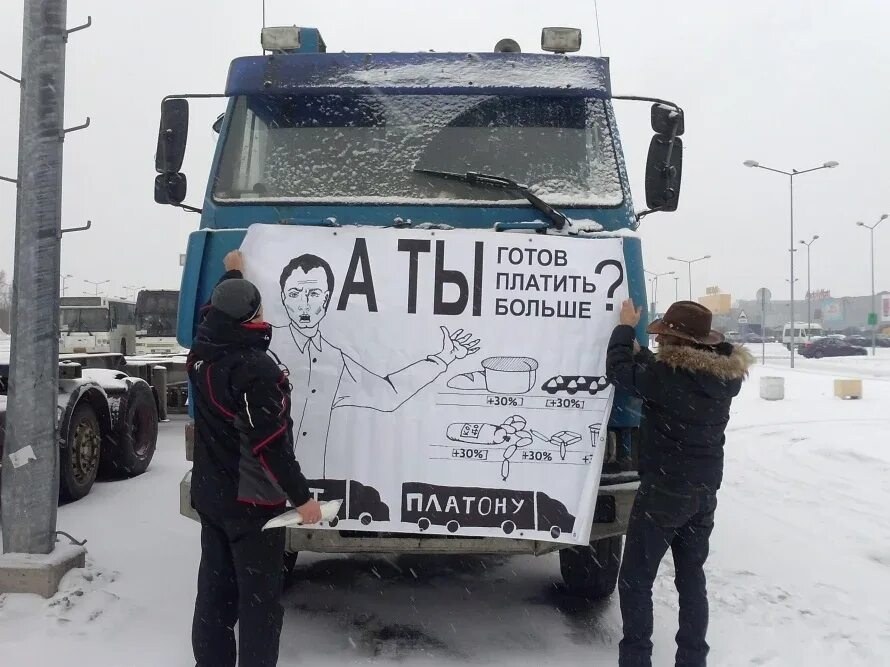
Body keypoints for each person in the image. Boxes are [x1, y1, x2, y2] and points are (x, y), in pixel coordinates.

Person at [189, 250, 322, 667]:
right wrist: (303, 500)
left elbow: (218, 307)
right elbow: (271, 445)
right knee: (260, 604)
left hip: (212, 495)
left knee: (214, 592)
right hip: (253, 507)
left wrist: (234, 273)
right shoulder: (254, 369)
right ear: (249, 317)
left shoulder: (204, 348)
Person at [606, 299, 753, 667]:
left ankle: (636, 659)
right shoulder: (722, 377)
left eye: (663, 338)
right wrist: (644, 357)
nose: (658, 345)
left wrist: (625, 328)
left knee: (636, 581)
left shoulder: (665, 376)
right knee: (691, 579)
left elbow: (619, 371)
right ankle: (692, 659)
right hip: (704, 492)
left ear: (674, 341)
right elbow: (664, 376)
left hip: (664, 492)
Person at [276, 253, 480, 476]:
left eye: (313, 293)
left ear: (326, 299)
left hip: (310, 490)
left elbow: (387, 393)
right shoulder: (263, 347)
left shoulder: (335, 358)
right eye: (294, 294)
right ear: (284, 298)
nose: (304, 304)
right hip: (261, 487)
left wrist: (443, 359)